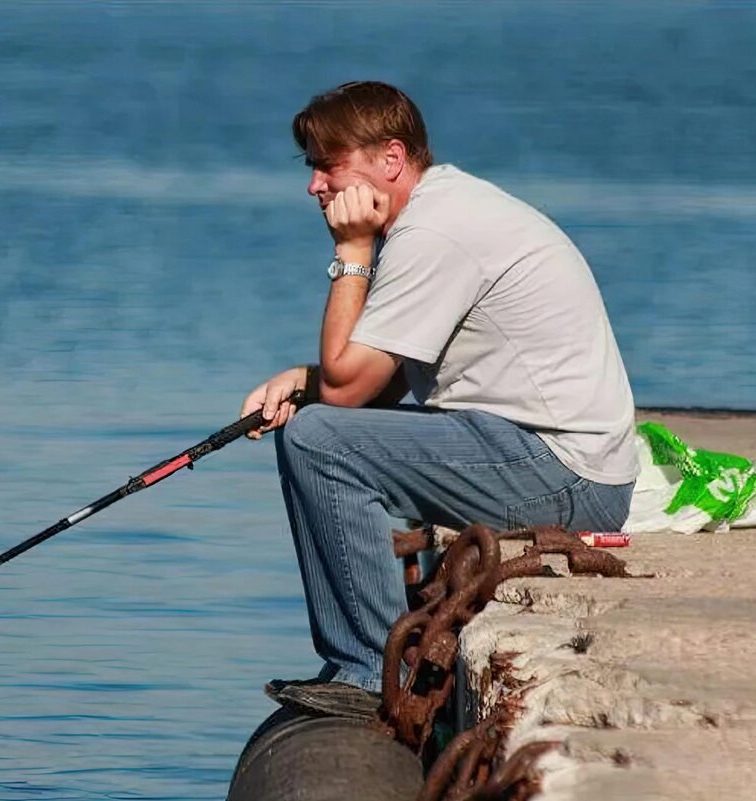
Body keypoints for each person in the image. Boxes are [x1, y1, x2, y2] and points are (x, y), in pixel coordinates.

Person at [241, 81, 638, 718]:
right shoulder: (439, 211)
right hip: (535, 452)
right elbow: (380, 378)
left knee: (317, 439)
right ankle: (353, 659)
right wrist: (304, 380)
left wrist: (350, 252)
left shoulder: (434, 232)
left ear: (390, 160)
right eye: (312, 166)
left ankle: (371, 669)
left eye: (327, 165)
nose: (315, 187)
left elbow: (349, 391)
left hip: (565, 473)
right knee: (318, 427)